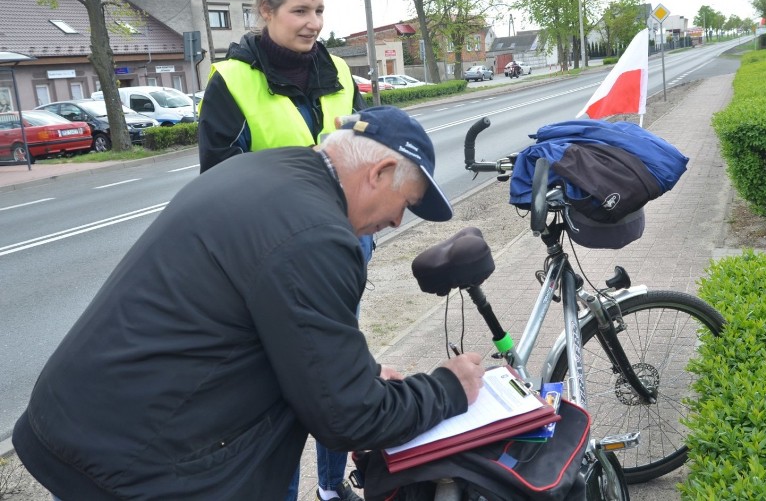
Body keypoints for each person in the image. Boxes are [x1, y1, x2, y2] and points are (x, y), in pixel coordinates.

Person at [13, 105, 485, 500]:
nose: (400, 222)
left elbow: (272, 325)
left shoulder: (264, 171)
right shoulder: (317, 236)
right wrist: (448, 388)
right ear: (379, 173)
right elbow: (349, 416)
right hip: (134, 465)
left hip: (81, 423)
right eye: (406, 202)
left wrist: (358, 372)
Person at [196, 0, 371, 500]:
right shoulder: (231, 81)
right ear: (266, 12)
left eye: (319, 10)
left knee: (338, 369)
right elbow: (219, 189)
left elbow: (363, 153)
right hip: (271, 262)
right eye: (299, 11)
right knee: (284, 388)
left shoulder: (341, 72)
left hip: (342, 246)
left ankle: (331, 488)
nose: (314, 23)